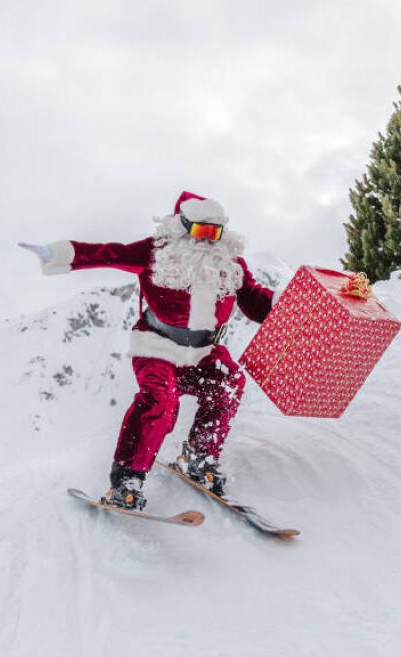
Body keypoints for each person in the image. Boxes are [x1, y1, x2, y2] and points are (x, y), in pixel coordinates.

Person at [19, 191, 273, 510]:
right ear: (182, 226)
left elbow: (255, 300)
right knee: (159, 399)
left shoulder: (231, 264)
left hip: (204, 350)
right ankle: (127, 480)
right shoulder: (155, 253)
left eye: (215, 232)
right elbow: (108, 253)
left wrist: (289, 307)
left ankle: (199, 457)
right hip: (157, 344)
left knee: (228, 383)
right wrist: (56, 254)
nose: (208, 240)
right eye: (200, 231)